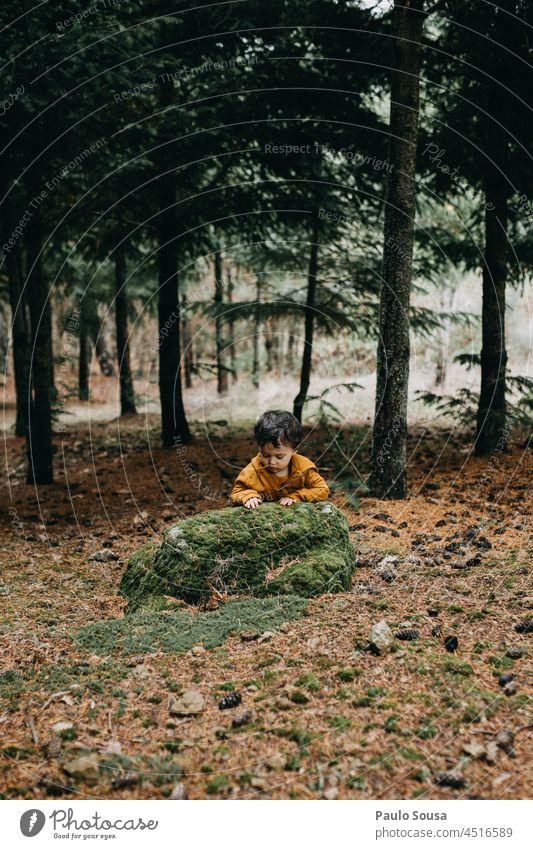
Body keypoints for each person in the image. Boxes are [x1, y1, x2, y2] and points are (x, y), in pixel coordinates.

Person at [230, 410, 329, 508]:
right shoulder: (252, 471)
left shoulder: (304, 468)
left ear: (294, 450)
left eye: (279, 457)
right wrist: (248, 496)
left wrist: (297, 496)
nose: (272, 462)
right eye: (265, 455)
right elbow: (237, 492)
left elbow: (322, 490)